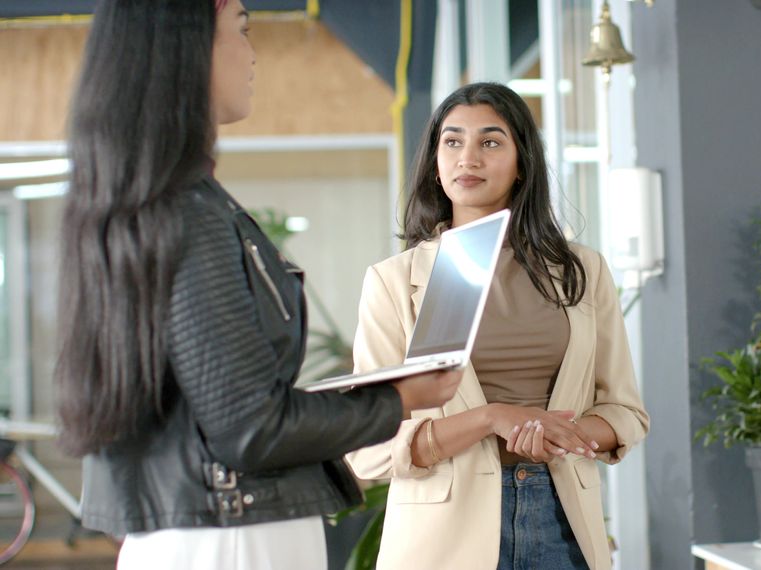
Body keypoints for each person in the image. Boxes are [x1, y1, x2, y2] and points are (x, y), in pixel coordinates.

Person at [52, 1, 461, 568]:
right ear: (185, 49)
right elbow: (251, 427)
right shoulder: (188, 216)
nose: (252, 55)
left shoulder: (147, 205)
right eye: (241, 31)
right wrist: (398, 399)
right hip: (233, 533)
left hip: (217, 528)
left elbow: (229, 408)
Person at [345, 82, 649, 570]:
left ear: (522, 161)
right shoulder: (393, 282)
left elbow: (626, 414)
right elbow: (369, 448)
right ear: (435, 159)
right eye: (452, 141)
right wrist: (492, 418)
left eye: (490, 141)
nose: (468, 157)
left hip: (560, 523)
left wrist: (555, 434)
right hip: (443, 540)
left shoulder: (583, 270)